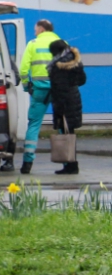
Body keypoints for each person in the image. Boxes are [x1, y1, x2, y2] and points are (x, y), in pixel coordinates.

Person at [14, 20, 61, 174]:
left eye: (35, 29)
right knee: (63, 125)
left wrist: (27, 86)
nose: (34, 32)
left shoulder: (33, 44)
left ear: (41, 29)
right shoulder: (62, 43)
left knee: (34, 124)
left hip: (39, 90)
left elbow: (23, 69)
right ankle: (67, 162)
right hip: (59, 89)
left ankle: (27, 163)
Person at [47, 39, 86, 175]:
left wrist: (58, 107)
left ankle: (71, 165)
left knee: (67, 134)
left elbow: (58, 87)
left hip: (64, 103)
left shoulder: (58, 66)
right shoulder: (75, 61)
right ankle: (71, 164)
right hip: (73, 99)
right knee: (70, 133)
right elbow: (82, 80)